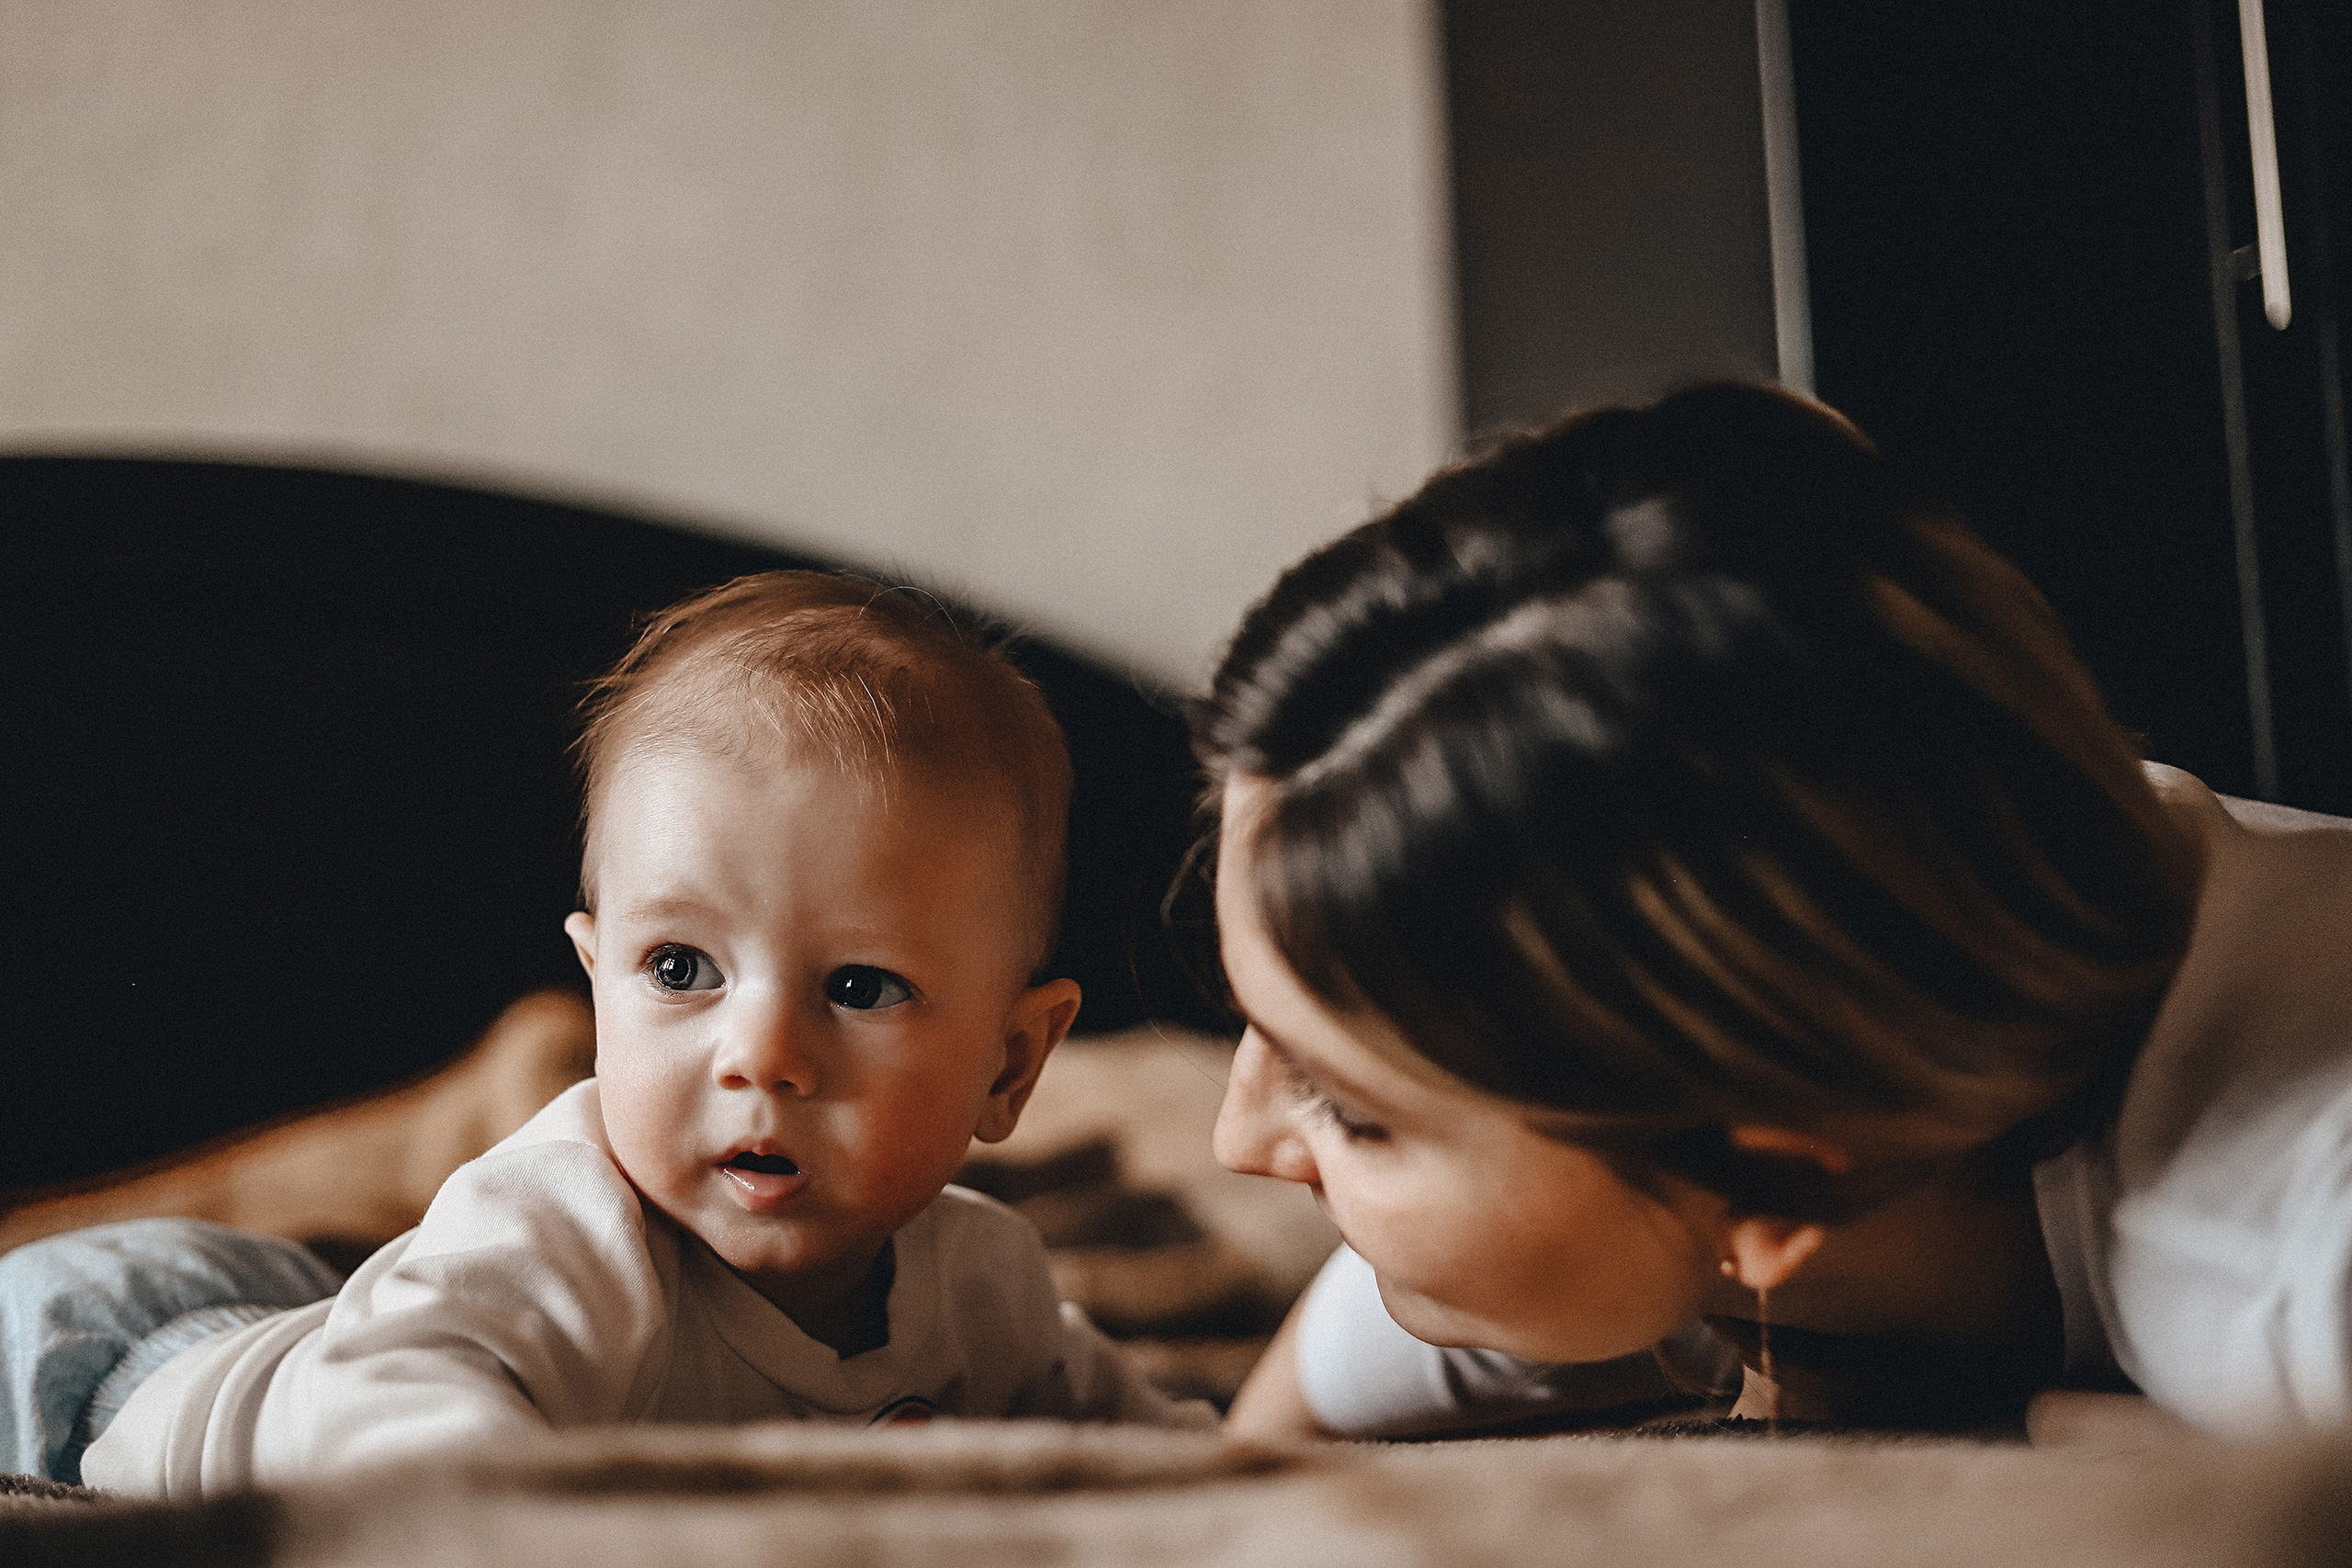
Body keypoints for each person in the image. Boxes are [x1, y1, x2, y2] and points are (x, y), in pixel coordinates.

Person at [1196, 383, 2352, 1442]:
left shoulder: (2289, 1263)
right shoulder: (1849, 946)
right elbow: (1258, 1457)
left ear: (1772, 1188)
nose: (1234, 1144)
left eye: (1351, 1113)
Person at [4, 571, 1196, 1497]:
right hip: (106, 1357)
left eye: (860, 985)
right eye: (680, 968)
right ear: (596, 975)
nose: (759, 1054)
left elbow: (1168, 1453)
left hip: (301, 1300)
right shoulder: (563, 1224)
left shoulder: (988, 1285)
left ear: (1011, 1061)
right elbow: (407, 1437)